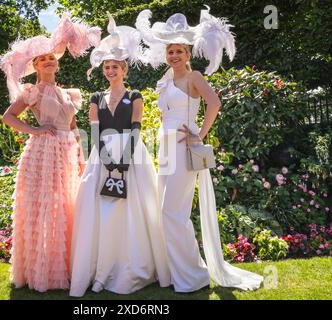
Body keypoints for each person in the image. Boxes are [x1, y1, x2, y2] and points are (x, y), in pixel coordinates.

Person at [136, 7, 264, 292]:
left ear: (188, 54)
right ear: (166, 55)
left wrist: (200, 133)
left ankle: (193, 276)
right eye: (170, 52)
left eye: (179, 51)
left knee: (173, 212)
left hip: (184, 149)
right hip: (166, 148)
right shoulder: (166, 80)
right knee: (163, 209)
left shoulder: (194, 78)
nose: (174, 56)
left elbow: (214, 103)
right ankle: (174, 273)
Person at [70, 13, 170, 297]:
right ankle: (100, 271)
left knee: (132, 213)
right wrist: (106, 160)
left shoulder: (135, 95)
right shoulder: (95, 98)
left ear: (124, 70)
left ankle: (129, 268)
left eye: (115, 67)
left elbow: (136, 127)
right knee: (101, 214)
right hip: (101, 159)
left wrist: (123, 162)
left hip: (132, 157)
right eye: (107, 67)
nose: (110, 71)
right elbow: (92, 131)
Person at [0, 14, 101, 292]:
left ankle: (68, 268)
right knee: (44, 210)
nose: (49, 62)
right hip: (42, 154)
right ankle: (38, 272)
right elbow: (8, 117)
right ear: (35, 65)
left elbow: (73, 125)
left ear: (56, 63)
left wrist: (81, 155)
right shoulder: (31, 91)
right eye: (43, 59)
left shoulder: (69, 94)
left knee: (68, 207)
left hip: (68, 153)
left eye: (51, 58)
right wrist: (35, 130)